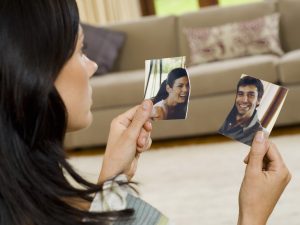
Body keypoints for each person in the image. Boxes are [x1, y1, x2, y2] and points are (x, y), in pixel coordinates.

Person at [0, 1, 291, 225]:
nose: (92, 66)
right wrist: (252, 216)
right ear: (33, 71)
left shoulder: (26, 199)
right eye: (80, 50)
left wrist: (112, 178)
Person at [219, 76, 266, 145]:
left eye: (251, 95)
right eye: (240, 94)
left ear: (258, 100)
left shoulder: (259, 134)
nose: (244, 100)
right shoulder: (225, 115)